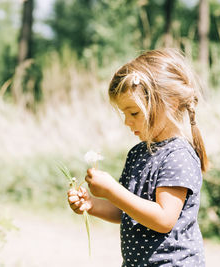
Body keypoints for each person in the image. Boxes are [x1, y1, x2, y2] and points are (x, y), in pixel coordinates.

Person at [67, 48, 209, 267]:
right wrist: (91, 205)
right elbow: (126, 210)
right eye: (124, 114)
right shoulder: (137, 153)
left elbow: (163, 219)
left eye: (134, 113)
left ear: (169, 102)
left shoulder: (177, 156)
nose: (127, 122)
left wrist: (112, 190)